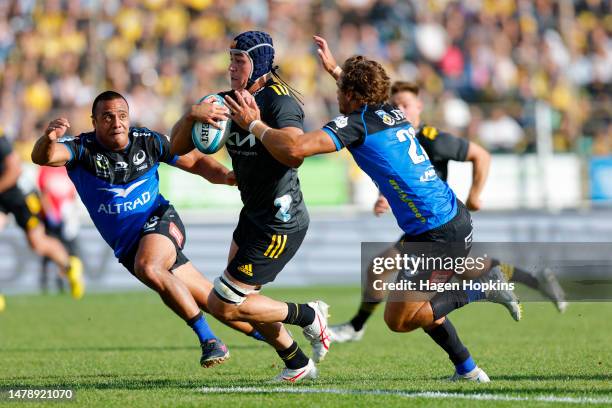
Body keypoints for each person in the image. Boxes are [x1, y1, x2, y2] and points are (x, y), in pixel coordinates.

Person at [225, 50, 522, 382]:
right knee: (414, 308)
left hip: (439, 232)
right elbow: (365, 96)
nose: (336, 95)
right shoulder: (389, 111)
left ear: (351, 96)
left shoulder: (357, 124)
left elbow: (295, 149)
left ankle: (482, 288)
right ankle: (467, 369)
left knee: (400, 319)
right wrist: (338, 71)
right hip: (440, 223)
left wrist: (252, 122)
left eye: (340, 91)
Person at [311, 37, 567, 343]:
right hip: (426, 223)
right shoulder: (387, 124)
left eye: (406, 104)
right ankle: (517, 289)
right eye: (398, 103)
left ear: (419, 107)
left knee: (406, 281)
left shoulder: (431, 137)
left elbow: (479, 155)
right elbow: (369, 111)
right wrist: (336, 70)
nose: (400, 108)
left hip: (436, 222)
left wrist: (475, 194)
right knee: (455, 268)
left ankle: (358, 326)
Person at [31, 90, 265, 368]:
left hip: (161, 220)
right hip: (130, 246)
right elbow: (44, 156)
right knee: (217, 304)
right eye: (107, 117)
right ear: (94, 121)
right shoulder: (82, 149)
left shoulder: (148, 142)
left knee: (150, 267)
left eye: (121, 116)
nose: (116, 123)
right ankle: (286, 342)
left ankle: (209, 340)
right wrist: (48, 139)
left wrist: (228, 177)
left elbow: (196, 162)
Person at [171, 31, 330, 383]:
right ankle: (297, 363)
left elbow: (294, 152)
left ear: (257, 63)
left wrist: (253, 125)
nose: (230, 67)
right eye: (230, 59)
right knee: (238, 304)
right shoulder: (224, 100)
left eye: (239, 60)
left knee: (224, 304)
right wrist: (190, 116)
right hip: (252, 214)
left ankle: (308, 314)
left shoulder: (280, 102)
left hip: (280, 220)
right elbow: (179, 149)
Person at [0, 130, 83, 300]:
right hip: (2, 196)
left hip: (19, 194)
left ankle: (70, 265)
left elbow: (14, 169)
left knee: (37, 243)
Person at [37, 165, 81, 293]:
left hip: (66, 218)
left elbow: (72, 194)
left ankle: (62, 280)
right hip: (50, 218)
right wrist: (50, 213)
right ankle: (45, 281)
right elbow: (43, 193)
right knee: (49, 250)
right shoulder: (45, 168)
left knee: (67, 250)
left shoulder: (68, 168)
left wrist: (71, 213)